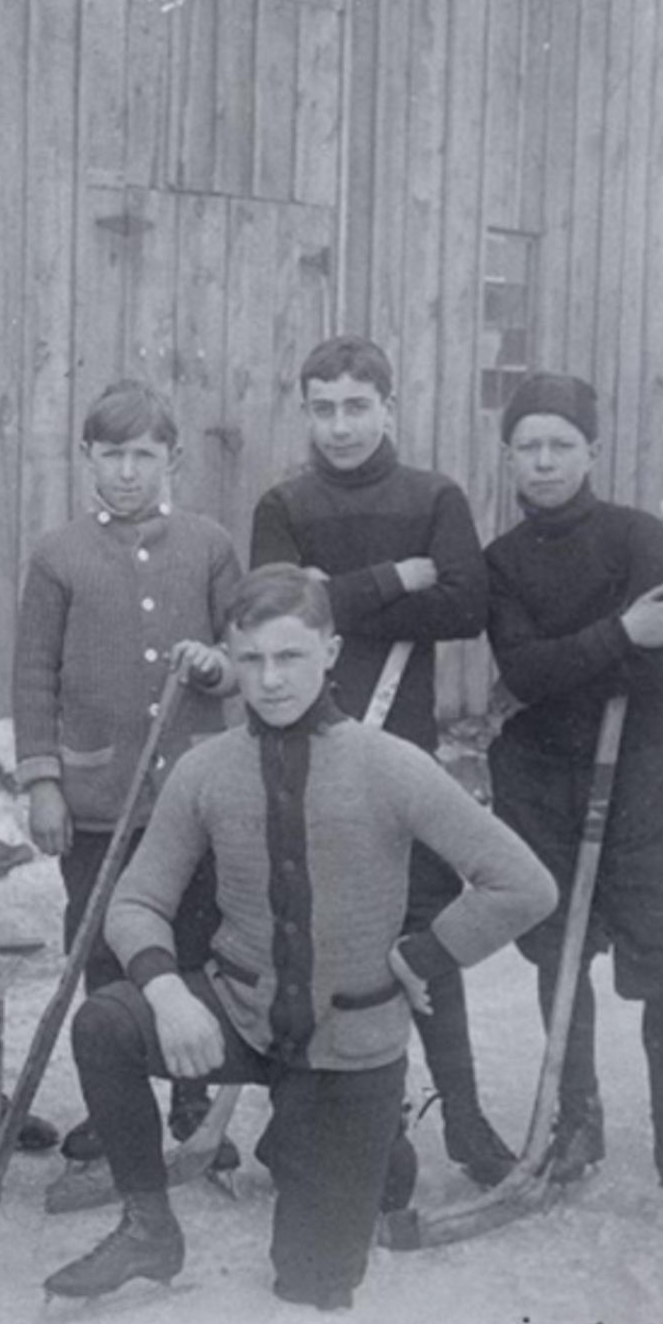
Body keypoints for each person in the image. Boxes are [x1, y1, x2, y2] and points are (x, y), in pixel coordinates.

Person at [44, 565, 554, 1311]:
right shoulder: (206, 768)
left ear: (332, 651)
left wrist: (421, 955)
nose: (271, 679)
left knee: (313, 1284)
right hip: (241, 1014)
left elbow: (524, 882)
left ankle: (359, 1146)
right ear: (230, 658)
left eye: (290, 657)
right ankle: (149, 1226)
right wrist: (165, 991)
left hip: (350, 1041)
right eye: (250, 659)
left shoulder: (391, 764)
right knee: (106, 1023)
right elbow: (136, 901)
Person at [484, 373, 663, 1230]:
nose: (543, 460)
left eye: (560, 444)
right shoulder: (501, 562)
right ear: (510, 457)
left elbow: (648, 668)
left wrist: (583, 656)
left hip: (639, 768)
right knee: (556, 948)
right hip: (538, 775)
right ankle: (578, 1122)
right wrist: (613, 636)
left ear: (592, 451)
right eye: (528, 445)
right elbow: (522, 674)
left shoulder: (641, 537)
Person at [248, 334, 514, 1190]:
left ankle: (465, 1117)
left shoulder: (434, 495)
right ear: (306, 411)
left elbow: (467, 605)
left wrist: (339, 592)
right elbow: (278, 622)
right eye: (322, 407)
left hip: (402, 753)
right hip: (305, 747)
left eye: (356, 405)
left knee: (422, 931)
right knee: (311, 934)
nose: (340, 425)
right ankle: (315, 1124)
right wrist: (398, 578)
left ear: (388, 407)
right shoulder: (282, 504)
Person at [13, 380, 239, 1165]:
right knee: (102, 944)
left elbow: (244, 652)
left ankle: (192, 1094)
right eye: (112, 454)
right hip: (98, 799)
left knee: (193, 934)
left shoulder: (208, 544)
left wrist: (216, 665)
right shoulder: (58, 554)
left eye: (145, 455)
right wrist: (43, 780)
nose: (128, 472)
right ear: (87, 458)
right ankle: (118, 1103)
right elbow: (33, 674)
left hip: (189, 796)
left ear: (172, 459)